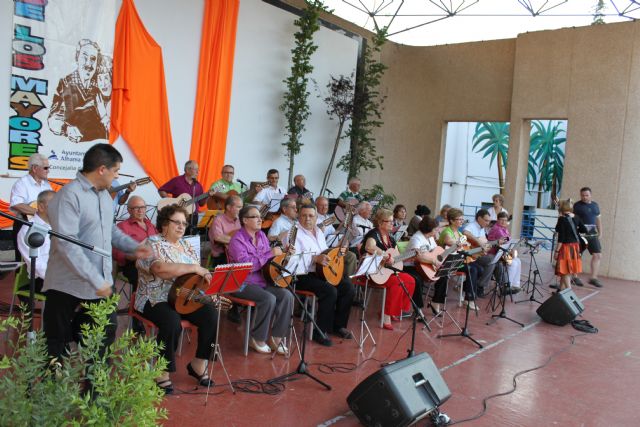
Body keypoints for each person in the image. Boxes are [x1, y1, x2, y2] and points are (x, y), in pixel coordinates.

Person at [42, 144, 150, 362]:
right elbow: (67, 244)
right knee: (57, 344)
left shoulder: (104, 196)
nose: (117, 176)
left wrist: (133, 246)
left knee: (103, 338)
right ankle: (53, 383)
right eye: (116, 170)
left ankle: (94, 383)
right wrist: (95, 279)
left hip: (100, 283)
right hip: (67, 284)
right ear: (102, 169)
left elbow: (110, 230)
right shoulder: (69, 196)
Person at [136, 205, 229, 394]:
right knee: (172, 321)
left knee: (211, 314)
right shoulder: (151, 243)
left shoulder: (187, 246)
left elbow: (195, 279)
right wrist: (194, 268)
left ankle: (198, 363)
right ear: (164, 224)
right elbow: (159, 269)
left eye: (184, 223)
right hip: (154, 298)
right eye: (176, 222)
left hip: (185, 296)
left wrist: (209, 291)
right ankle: (162, 371)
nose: (181, 226)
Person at [227, 206, 294, 355]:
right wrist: (270, 253)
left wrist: (284, 253)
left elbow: (269, 262)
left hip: (263, 281)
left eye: (260, 216)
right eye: (255, 217)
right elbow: (246, 266)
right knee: (268, 298)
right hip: (241, 283)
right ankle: (257, 338)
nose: (260, 219)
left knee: (287, 296)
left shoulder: (262, 235)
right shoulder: (237, 240)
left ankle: (276, 337)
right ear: (245, 220)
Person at [294, 204, 355, 345]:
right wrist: (314, 259)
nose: (307, 219)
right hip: (302, 275)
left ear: (316, 218)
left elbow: (325, 252)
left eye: (311, 216)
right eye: (304, 215)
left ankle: (338, 326)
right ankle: (320, 331)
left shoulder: (319, 232)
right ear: (298, 216)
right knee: (330, 291)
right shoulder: (294, 233)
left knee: (347, 287)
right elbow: (292, 259)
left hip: (321, 271)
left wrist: (338, 252)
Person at [360, 209, 416, 330]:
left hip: (387, 272)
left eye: (392, 221)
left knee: (410, 280)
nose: (392, 224)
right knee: (397, 283)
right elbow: (369, 247)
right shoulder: (373, 234)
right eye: (389, 221)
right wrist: (385, 255)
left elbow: (396, 257)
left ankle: (395, 310)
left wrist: (409, 256)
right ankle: (386, 315)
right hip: (374, 272)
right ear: (380, 223)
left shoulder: (391, 238)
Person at [48, 39, 107, 142]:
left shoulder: (102, 84)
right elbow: (53, 118)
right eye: (84, 57)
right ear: (77, 58)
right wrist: (66, 129)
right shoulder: (65, 84)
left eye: (93, 59)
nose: (89, 64)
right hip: (72, 148)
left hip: (99, 146)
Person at [434, 208, 481, 311]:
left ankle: (466, 294)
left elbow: (465, 245)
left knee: (478, 269)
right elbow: (451, 242)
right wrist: (462, 244)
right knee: (472, 270)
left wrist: (475, 248)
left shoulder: (459, 233)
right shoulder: (447, 231)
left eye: (462, 219)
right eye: (459, 219)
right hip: (445, 261)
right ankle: (468, 299)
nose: (461, 221)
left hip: (456, 260)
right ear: (451, 220)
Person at [9, 153, 53, 261]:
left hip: (44, 226)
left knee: (43, 257)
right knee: (23, 260)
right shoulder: (22, 183)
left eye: (49, 168)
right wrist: (39, 213)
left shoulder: (46, 185)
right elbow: (16, 204)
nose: (48, 171)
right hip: (25, 225)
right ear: (34, 168)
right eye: (45, 168)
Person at [113, 196, 158, 288]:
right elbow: (116, 252)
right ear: (129, 210)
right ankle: (140, 297)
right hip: (133, 265)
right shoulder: (123, 226)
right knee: (149, 280)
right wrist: (134, 255)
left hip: (153, 262)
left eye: (143, 207)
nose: (140, 211)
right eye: (136, 208)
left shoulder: (150, 225)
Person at [16, 190, 55, 298]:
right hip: (42, 279)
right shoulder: (28, 230)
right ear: (41, 207)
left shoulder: (59, 226)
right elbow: (37, 265)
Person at [158, 160, 211, 232]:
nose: (198, 171)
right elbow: (161, 190)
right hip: (178, 215)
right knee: (177, 235)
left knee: (191, 237)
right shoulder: (177, 181)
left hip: (193, 217)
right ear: (187, 170)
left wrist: (208, 195)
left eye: (198, 169)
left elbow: (201, 204)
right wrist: (171, 202)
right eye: (195, 169)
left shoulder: (198, 185)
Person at [404, 216, 442, 311]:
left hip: (425, 266)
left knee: (443, 274)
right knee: (418, 279)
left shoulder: (430, 238)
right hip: (410, 266)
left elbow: (435, 252)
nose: (437, 231)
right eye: (436, 229)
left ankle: (436, 301)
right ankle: (418, 309)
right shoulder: (416, 238)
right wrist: (433, 261)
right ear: (429, 229)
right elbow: (418, 257)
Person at [463, 208, 501, 296]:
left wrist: (493, 244)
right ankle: (479, 286)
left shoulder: (482, 228)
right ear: (479, 218)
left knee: (495, 262)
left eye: (489, 221)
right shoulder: (472, 226)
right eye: (486, 220)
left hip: (479, 254)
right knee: (492, 259)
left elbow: (485, 244)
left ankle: (502, 286)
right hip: (471, 255)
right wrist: (478, 241)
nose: (488, 223)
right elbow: (465, 232)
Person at [553, 200, 587, 291]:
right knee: (568, 268)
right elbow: (584, 230)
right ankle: (561, 290)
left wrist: (556, 251)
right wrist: (575, 230)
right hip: (575, 246)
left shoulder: (562, 219)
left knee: (564, 270)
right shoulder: (576, 217)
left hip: (566, 247)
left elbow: (561, 238)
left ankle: (569, 290)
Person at [572, 187, 603, 287]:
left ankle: (593, 278)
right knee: (577, 255)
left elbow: (598, 220)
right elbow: (572, 220)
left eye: (586, 195)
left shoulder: (595, 205)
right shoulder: (577, 206)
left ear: (591, 195)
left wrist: (600, 232)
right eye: (582, 195)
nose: (584, 197)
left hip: (592, 233)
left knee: (597, 255)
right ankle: (574, 277)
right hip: (580, 233)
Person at [487, 212, 522, 292]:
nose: (503, 222)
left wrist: (512, 250)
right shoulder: (497, 229)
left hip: (502, 252)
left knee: (518, 261)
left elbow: (508, 241)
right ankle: (506, 286)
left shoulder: (504, 229)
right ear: (497, 220)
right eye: (501, 220)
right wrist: (511, 252)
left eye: (505, 220)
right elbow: (505, 243)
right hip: (496, 253)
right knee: (513, 263)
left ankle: (515, 285)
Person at [208, 195, 243, 266]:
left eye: (242, 207)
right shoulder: (218, 220)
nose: (241, 210)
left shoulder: (239, 220)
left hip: (237, 253)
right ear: (228, 207)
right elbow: (218, 237)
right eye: (238, 207)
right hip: (222, 256)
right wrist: (239, 241)